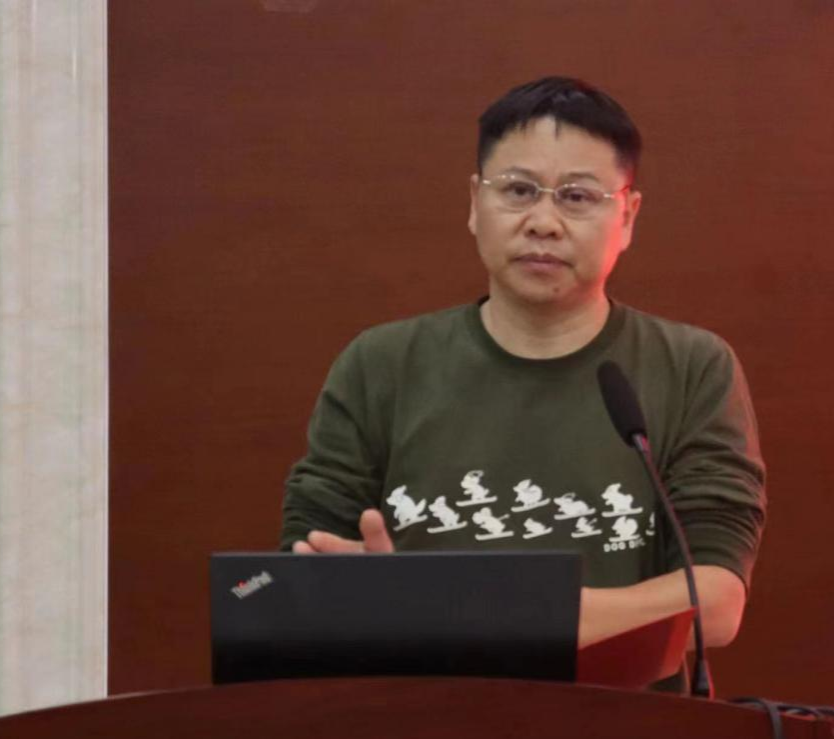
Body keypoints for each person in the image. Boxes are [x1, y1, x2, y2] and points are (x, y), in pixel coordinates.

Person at [281, 77, 765, 680]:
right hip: (418, 726)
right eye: (517, 190)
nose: (543, 222)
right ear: (474, 203)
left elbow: (714, 605)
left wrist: (440, 606)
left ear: (627, 216)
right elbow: (297, 584)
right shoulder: (380, 365)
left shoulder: (692, 368)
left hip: (624, 730)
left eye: (578, 197)